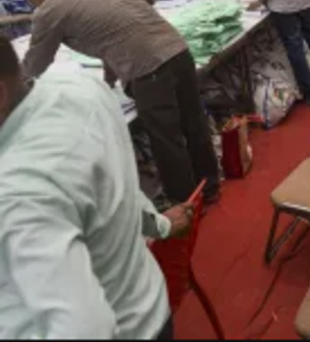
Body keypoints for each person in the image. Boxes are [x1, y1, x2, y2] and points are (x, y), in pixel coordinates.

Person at [0, 36, 194, 339]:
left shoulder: (20, 192)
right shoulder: (77, 85)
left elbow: (83, 329)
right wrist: (161, 224)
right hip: (147, 306)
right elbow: (116, 185)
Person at [16, 0, 221, 205]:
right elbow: (113, 35)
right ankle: (209, 186)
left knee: (166, 138)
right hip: (178, 52)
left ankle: (185, 203)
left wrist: (11, 88)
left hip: (150, 68)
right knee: (193, 122)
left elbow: (34, 64)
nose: (29, 1)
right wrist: (108, 80)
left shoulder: (50, 9)